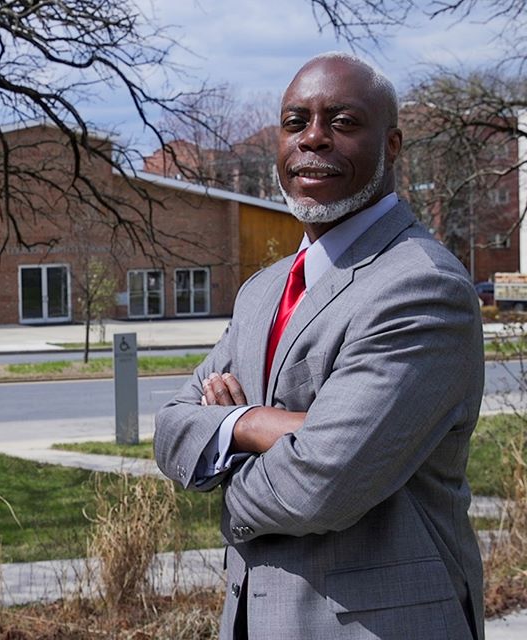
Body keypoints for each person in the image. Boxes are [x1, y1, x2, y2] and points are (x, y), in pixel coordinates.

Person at [154, 52, 484, 640]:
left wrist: (223, 452)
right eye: (294, 121)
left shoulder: (420, 285)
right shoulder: (263, 291)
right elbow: (172, 426)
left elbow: (319, 487)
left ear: (394, 145)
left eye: (343, 121)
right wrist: (257, 423)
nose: (313, 139)